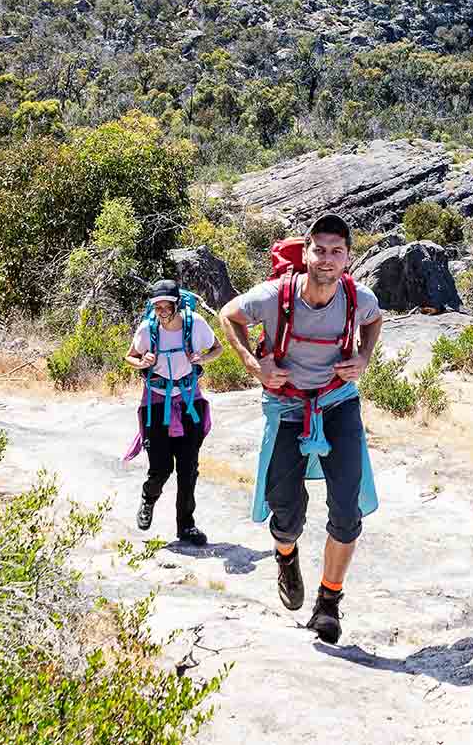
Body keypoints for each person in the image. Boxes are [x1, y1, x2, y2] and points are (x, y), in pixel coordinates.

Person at [218, 212, 384, 644]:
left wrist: (364, 358)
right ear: (307, 252)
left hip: (338, 403)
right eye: (320, 250)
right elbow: (228, 315)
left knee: (346, 510)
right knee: (285, 510)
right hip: (288, 408)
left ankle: (329, 603)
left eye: (337, 252)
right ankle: (286, 554)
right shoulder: (274, 295)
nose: (327, 260)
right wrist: (254, 365)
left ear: (348, 258)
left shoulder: (356, 296)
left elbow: (375, 319)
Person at [125, 279, 220, 545]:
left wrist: (203, 358)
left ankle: (186, 526)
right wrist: (141, 362)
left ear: (177, 303)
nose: (162, 310)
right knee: (161, 468)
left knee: (188, 469)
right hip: (156, 404)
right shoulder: (148, 328)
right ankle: (148, 499)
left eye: (167, 305)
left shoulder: (195, 325)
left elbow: (217, 349)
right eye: (157, 306)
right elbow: (130, 356)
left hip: (189, 401)